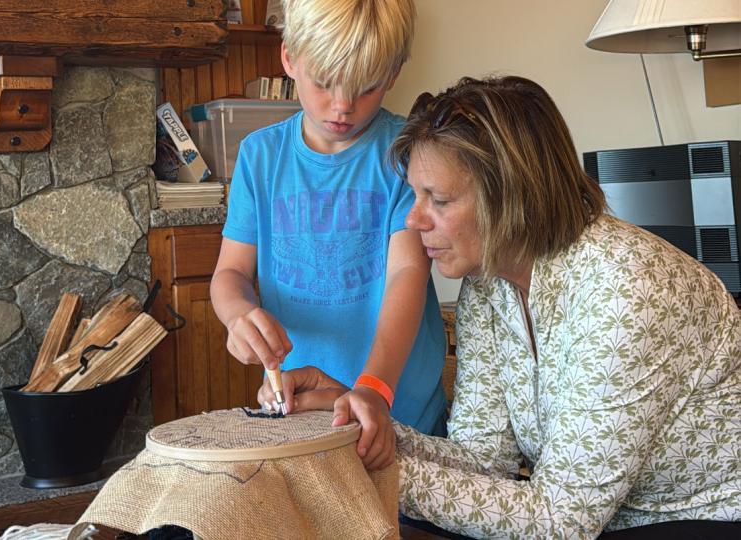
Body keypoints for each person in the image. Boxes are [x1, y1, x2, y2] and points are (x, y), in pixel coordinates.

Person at [270, 76, 741, 538]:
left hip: (705, 515)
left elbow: (561, 520)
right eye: (415, 195)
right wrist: (360, 428)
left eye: (439, 199)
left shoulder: (626, 289)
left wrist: (362, 466)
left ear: (514, 196)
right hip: (604, 519)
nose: (414, 219)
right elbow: (484, 460)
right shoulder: (488, 284)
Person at [210, 0, 447, 472]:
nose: (342, 106)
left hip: (403, 412)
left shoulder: (407, 151)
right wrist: (237, 315)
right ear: (289, 59)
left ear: (393, 74)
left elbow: (407, 273)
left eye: (366, 87)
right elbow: (230, 273)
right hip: (305, 412)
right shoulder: (259, 156)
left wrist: (374, 387)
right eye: (324, 82)